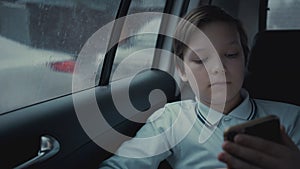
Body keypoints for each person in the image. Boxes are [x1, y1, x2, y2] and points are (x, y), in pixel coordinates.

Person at [99, 5, 300, 169]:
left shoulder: (291, 118)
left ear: (245, 60)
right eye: (201, 59)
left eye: (230, 55)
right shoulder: (171, 119)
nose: (218, 69)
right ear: (182, 70)